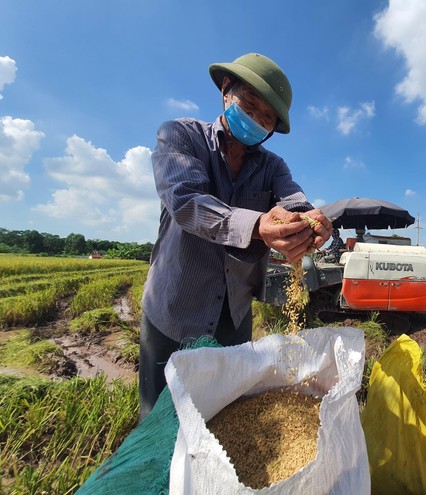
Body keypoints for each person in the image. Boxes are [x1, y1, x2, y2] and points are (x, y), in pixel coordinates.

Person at [139, 52, 332, 419]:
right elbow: (186, 202)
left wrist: (310, 223)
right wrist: (258, 225)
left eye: (267, 118)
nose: (256, 120)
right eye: (250, 105)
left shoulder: (273, 166)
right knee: (160, 422)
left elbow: (294, 201)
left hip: (234, 313)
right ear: (226, 91)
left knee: (225, 415)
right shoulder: (179, 136)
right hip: (176, 307)